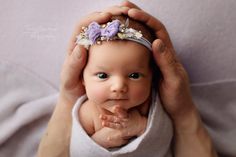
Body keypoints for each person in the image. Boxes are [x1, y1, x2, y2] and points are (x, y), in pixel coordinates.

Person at [37, 1, 218, 157]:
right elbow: (77, 151)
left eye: (134, 75)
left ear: (152, 76)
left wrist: (141, 126)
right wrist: (98, 142)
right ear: (82, 77)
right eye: (102, 75)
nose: (118, 86)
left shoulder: (149, 106)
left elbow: (163, 139)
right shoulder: (87, 112)